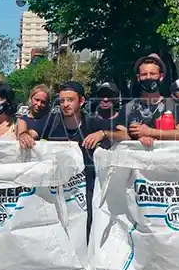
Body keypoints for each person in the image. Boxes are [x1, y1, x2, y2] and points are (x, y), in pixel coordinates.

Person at [18, 81, 119, 233]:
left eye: (70, 100)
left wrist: (103, 134)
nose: (65, 104)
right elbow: (32, 133)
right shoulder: (52, 121)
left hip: (86, 189)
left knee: (85, 229)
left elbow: (124, 135)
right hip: (56, 188)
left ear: (82, 101)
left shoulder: (91, 122)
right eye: (62, 100)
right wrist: (24, 135)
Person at [123, 54, 179, 145]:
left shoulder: (171, 105)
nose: (148, 77)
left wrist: (150, 132)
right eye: (144, 74)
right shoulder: (128, 107)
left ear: (161, 76)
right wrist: (136, 137)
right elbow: (120, 134)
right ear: (138, 78)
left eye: (152, 74)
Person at [93, 82, 129, 149]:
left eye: (110, 95)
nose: (105, 99)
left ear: (117, 99)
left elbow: (128, 137)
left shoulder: (122, 120)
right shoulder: (88, 119)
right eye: (102, 95)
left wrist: (105, 134)